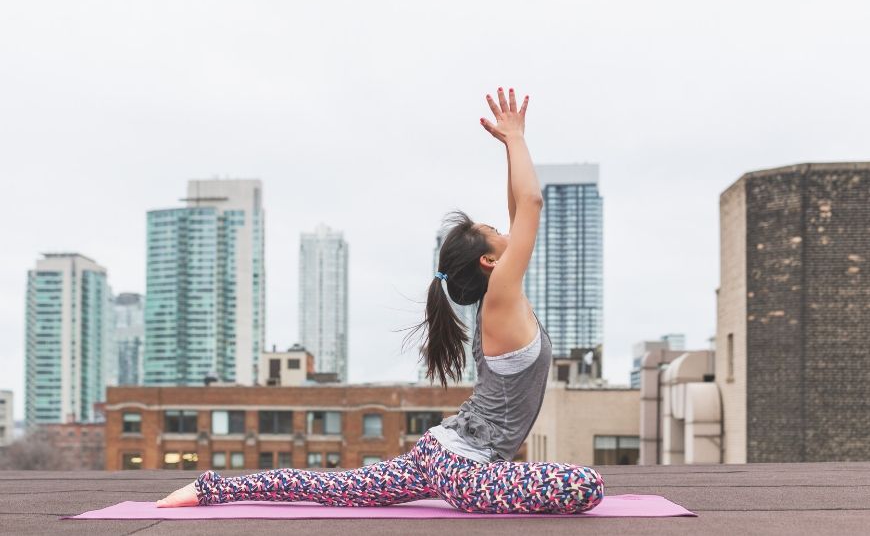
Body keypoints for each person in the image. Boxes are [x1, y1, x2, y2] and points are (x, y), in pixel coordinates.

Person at [156, 87, 605, 514]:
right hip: (466, 469)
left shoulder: (503, 299)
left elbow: (519, 209)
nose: (508, 230)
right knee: (586, 485)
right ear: (489, 261)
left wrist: (509, 145)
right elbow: (530, 202)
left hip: (443, 452)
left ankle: (211, 488)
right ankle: (213, 488)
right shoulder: (500, 299)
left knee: (335, 488)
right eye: (497, 232)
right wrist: (516, 137)